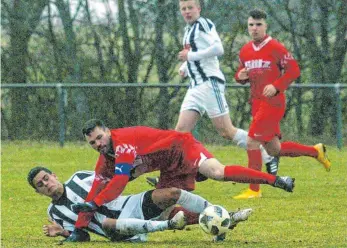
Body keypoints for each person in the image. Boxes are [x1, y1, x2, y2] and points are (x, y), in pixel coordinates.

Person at [67, 119, 295, 241]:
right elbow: (95, 190)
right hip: (169, 169)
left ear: (108, 131)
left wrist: (96, 204)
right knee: (168, 214)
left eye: (99, 137)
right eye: (93, 143)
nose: (98, 144)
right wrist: (80, 227)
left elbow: (118, 181)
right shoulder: (104, 161)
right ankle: (227, 218)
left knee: (216, 172)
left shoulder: (123, 140)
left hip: (182, 147)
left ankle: (275, 179)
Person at [233, 9, 331, 199]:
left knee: (252, 141)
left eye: (258, 25)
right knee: (274, 149)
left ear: (265, 26)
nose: (254, 29)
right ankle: (315, 151)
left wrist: (277, 86)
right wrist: (239, 77)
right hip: (257, 103)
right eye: (251, 25)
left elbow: (293, 70)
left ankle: (254, 189)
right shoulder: (245, 50)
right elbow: (241, 74)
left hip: (273, 102)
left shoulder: (276, 47)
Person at [176, 0, 279, 174]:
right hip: (195, 87)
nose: (187, 12)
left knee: (226, 131)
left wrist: (191, 56)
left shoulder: (204, 24)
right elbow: (198, 55)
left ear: (198, 9)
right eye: (183, 9)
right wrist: (185, 67)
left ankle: (266, 154)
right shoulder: (188, 30)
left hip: (209, 84)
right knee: (180, 133)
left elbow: (218, 48)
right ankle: (176, 174)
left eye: (190, 8)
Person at [27, 166, 253, 242]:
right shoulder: (53, 212)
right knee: (106, 222)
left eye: (46, 178)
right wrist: (62, 233)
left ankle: (226, 218)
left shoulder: (79, 177)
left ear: (54, 175)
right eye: (40, 185)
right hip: (115, 229)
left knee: (172, 193)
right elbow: (83, 237)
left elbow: (111, 179)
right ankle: (169, 225)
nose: (46, 184)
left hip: (129, 204)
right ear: (38, 192)